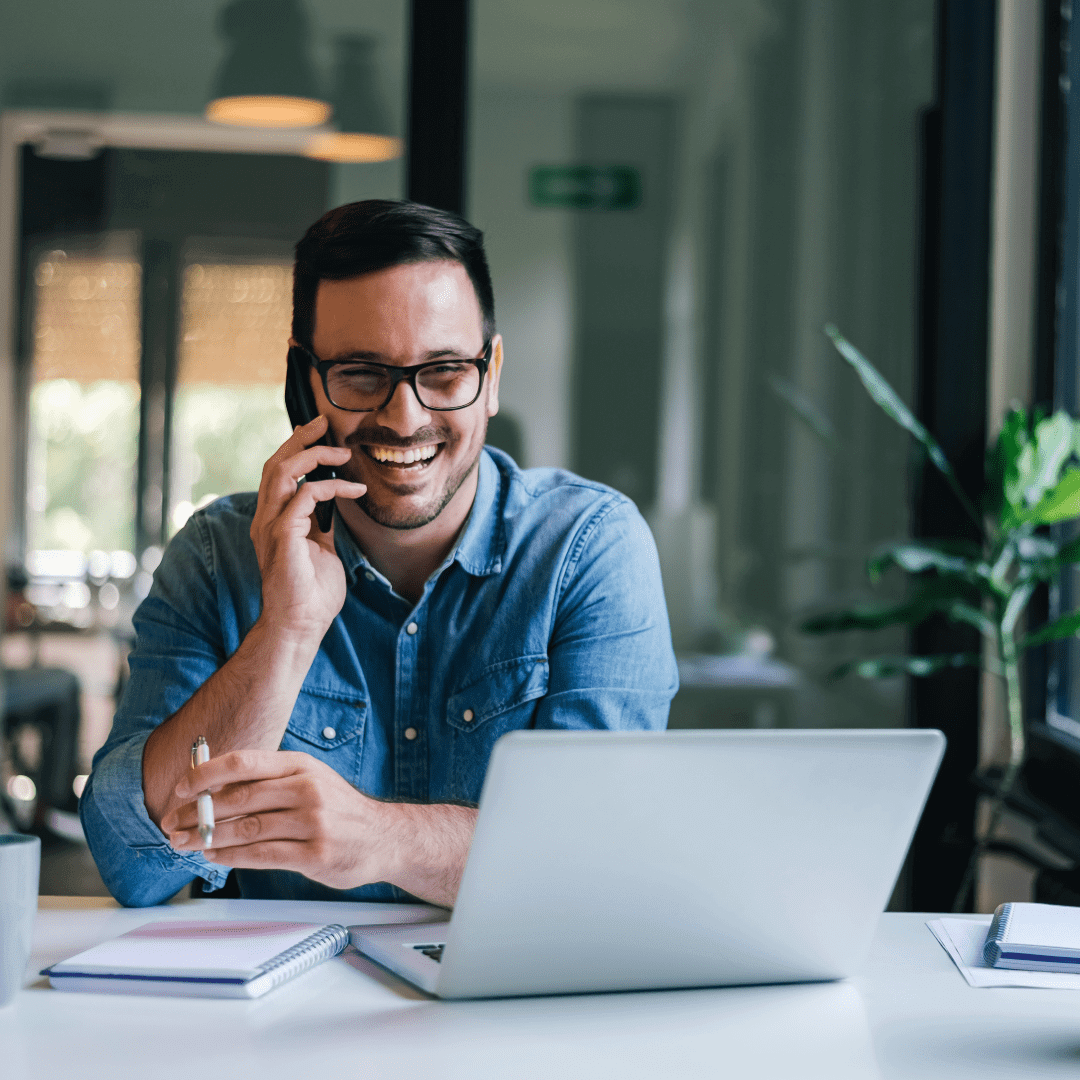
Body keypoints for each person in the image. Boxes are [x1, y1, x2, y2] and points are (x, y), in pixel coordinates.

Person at [81, 200, 678, 908]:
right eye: (363, 374)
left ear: (491, 374)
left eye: (445, 372)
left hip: (510, 1009)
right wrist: (287, 632)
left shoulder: (588, 549)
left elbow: (599, 860)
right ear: (306, 382)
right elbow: (132, 865)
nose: (405, 417)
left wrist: (378, 838)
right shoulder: (217, 556)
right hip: (278, 1012)